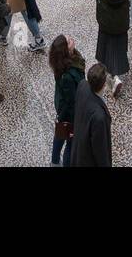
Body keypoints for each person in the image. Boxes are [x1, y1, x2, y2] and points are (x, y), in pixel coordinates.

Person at [89, 0, 132, 97]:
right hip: (121, 24)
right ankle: (114, 74)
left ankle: (113, 78)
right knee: (118, 48)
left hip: (105, 22)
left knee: (105, 48)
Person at [48, 35, 85, 167]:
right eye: (69, 41)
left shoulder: (63, 62)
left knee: (60, 133)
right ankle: (59, 163)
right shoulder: (68, 76)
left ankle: (55, 161)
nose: (71, 39)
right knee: (70, 142)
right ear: (66, 51)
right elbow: (72, 101)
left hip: (63, 109)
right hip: (70, 114)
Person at [71, 64, 112, 168]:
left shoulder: (82, 85)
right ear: (103, 85)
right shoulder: (99, 117)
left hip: (78, 151)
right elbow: (100, 149)